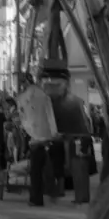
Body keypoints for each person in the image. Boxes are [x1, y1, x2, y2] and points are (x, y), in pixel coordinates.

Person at [28, 58, 92, 207]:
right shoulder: (49, 103)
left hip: (63, 144)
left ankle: (55, 193)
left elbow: (82, 128)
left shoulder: (71, 103)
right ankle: (57, 191)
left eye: (55, 83)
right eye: (47, 82)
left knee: (54, 169)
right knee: (57, 169)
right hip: (58, 144)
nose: (51, 85)